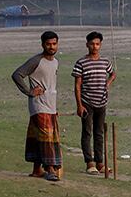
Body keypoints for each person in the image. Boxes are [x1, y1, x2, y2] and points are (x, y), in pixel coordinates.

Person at [11, 30, 62, 183]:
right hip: (39, 105)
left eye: (54, 44)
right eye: (48, 44)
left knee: (37, 137)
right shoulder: (36, 60)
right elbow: (17, 74)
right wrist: (29, 92)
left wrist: (54, 107)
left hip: (50, 106)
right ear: (42, 45)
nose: (51, 47)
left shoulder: (55, 62)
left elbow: (50, 85)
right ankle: (50, 169)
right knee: (46, 137)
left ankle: (36, 170)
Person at [70, 31, 117, 177]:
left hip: (102, 103)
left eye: (97, 44)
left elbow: (113, 74)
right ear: (87, 45)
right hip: (87, 102)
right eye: (92, 44)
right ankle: (89, 163)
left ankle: (100, 163)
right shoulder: (81, 62)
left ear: (100, 45)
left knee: (99, 133)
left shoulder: (105, 62)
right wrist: (79, 105)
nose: (94, 47)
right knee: (87, 132)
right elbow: (77, 85)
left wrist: (107, 84)